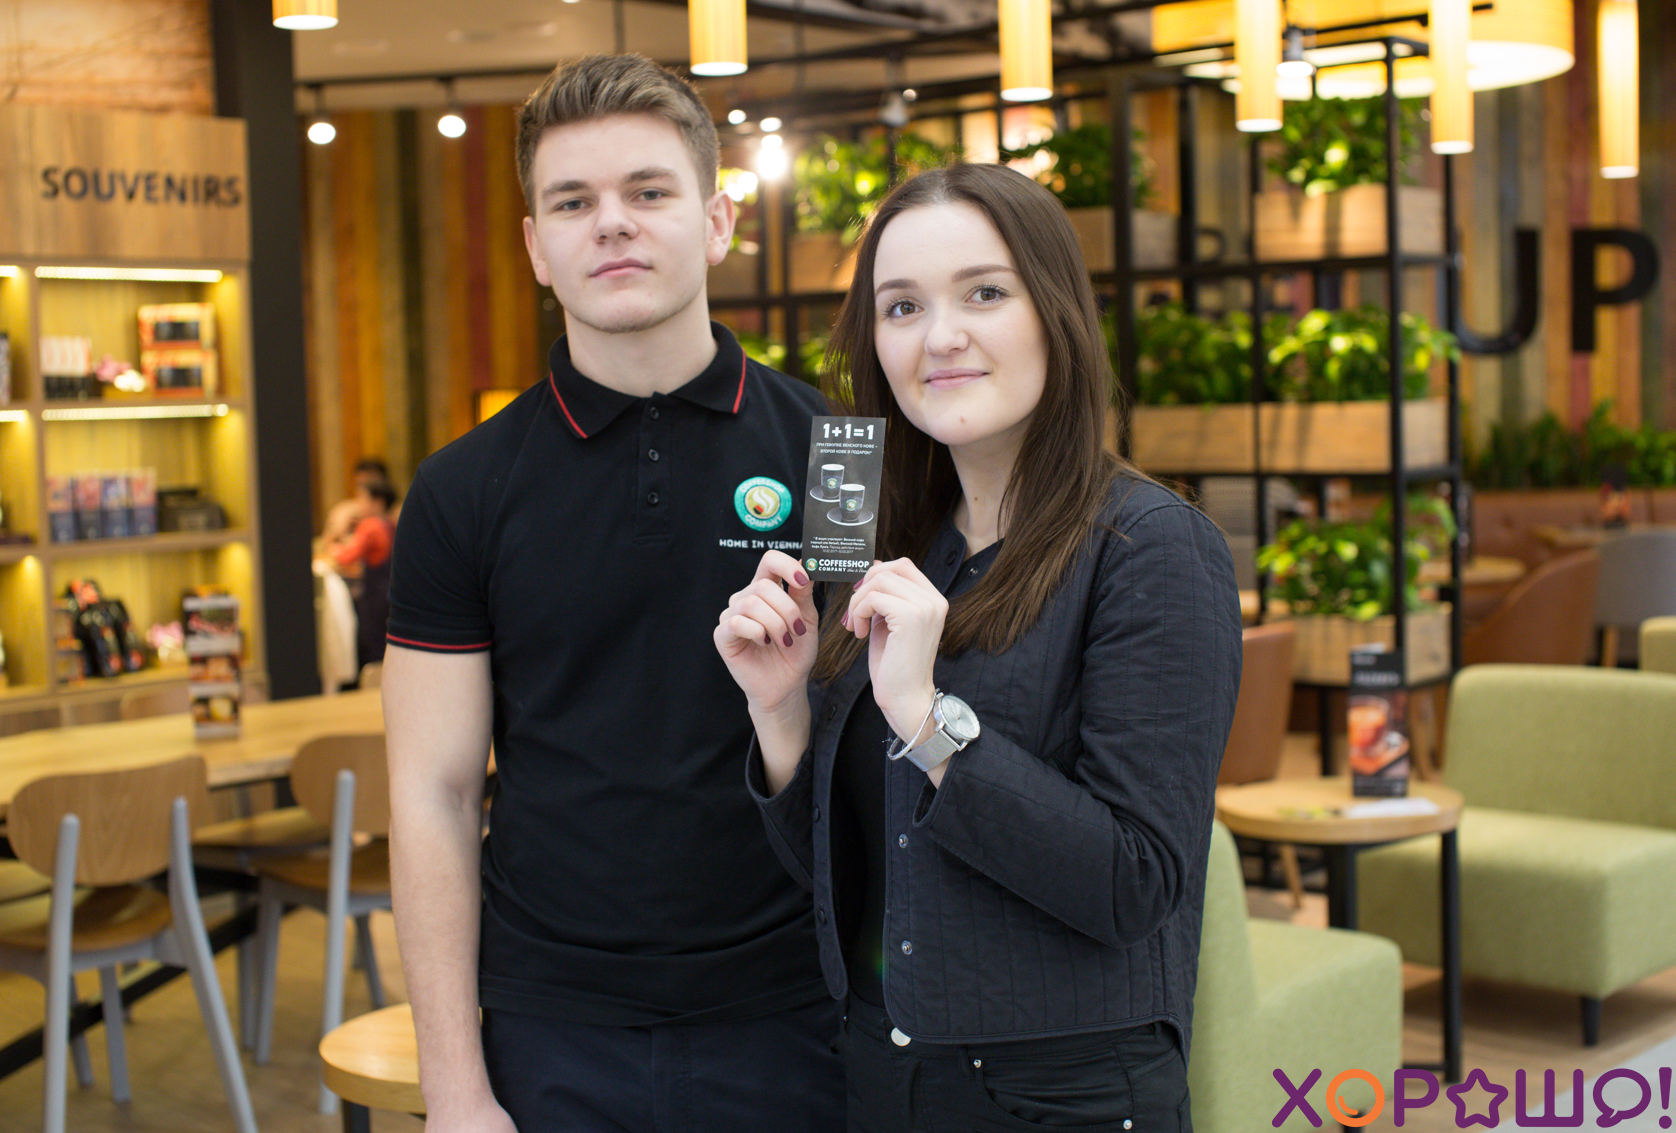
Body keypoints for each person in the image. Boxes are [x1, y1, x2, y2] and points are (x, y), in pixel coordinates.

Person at [714, 162, 1242, 1133]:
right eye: (902, 306)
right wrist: (779, 706)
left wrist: (926, 719)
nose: (940, 336)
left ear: (1055, 312)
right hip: (881, 1070)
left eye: (984, 293)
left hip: (1061, 1096)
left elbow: (1134, 882)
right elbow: (848, 870)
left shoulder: (1151, 548)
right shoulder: (898, 549)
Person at [382, 54, 844, 1133]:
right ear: (536, 247)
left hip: (795, 1013)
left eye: (647, 191)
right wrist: (454, 1088)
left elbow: (862, 757)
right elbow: (432, 796)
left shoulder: (833, 452)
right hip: (550, 1024)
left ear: (717, 221)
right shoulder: (461, 489)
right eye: (572, 202)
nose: (612, 224)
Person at [321, 477, 397, 671]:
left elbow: (345, 557)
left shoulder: (370, 525)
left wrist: (333, 536)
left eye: (362, 498)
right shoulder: (390, 523)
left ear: (377, 502)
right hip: (389, 589)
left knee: (372, 643)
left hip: (374, 594)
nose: (358, 504)